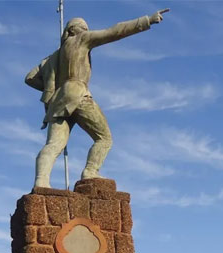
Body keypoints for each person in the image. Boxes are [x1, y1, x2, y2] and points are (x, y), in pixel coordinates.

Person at [26, 9, 170, 188]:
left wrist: (53, 90)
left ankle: (41, 181)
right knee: (104, 138)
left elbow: (30, 77)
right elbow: (114, 31)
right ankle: (90, 171)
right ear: (73, 30)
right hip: (78, 93)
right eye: (84, 28)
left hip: (58, 101)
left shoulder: (52, 57)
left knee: (54, 144)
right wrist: (147, 20)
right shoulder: (81, 39)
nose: (86, 31)